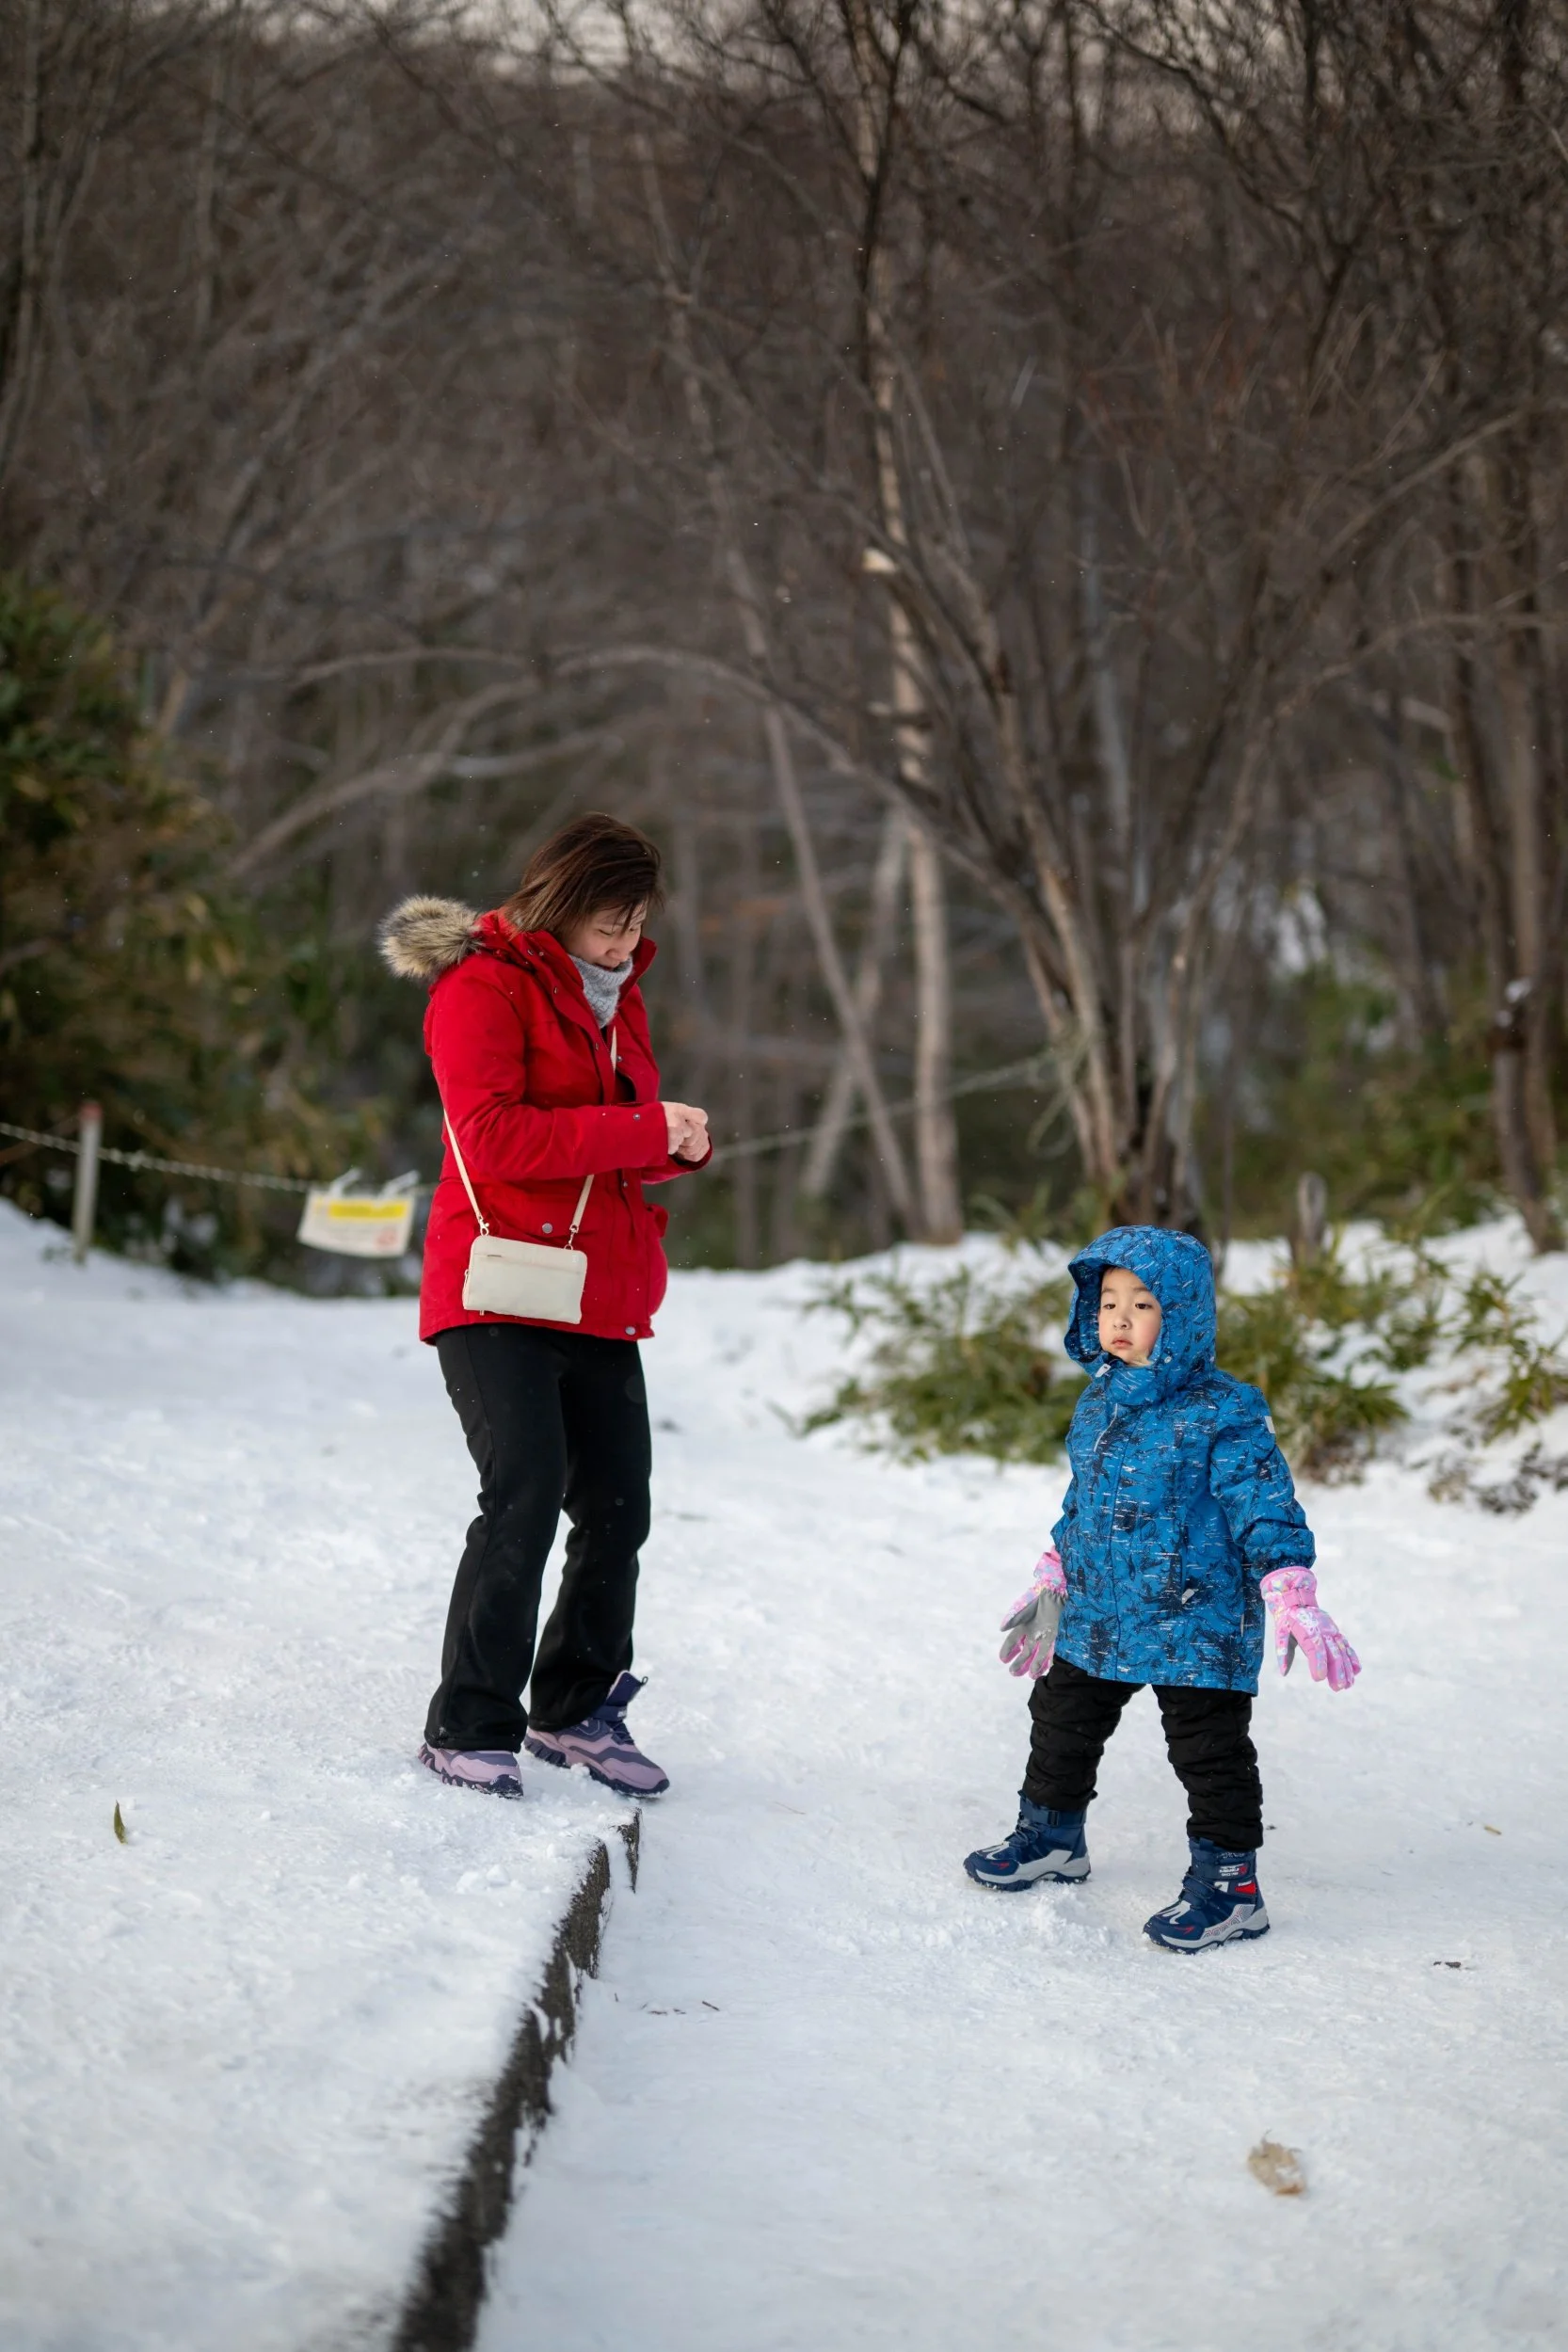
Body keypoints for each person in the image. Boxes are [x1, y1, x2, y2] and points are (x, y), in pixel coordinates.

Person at [380, 813, 711, 1802]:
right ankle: (467, 1725)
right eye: (610, 923)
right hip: (495, 1287)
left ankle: (575, 1711)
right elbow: (494, 1141)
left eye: (638, 922)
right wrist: (638, 1128)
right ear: (560, 904)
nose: (624, 942)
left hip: (595, 1292)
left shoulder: (619, 996)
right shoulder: (479, 984)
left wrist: (672, 1143)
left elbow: (611, 1144)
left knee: (618, 1509)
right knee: (521, 1494)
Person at [964, 1225, 1359, 1950]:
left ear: (1182, 1314)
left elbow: (1262, 1499)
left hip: (1194, 1615)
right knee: (1060, 1718)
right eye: (1107, 1301)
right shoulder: (1099, 1401)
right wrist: (1056, 1568)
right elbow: (1085, 1499)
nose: (1119, 1317)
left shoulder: (1223, 1411)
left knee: (1208, 1750)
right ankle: (1052, 1835)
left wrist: (1289, 1583)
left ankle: (1230, 1886)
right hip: (1099, 1608)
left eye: (1142, 1303)